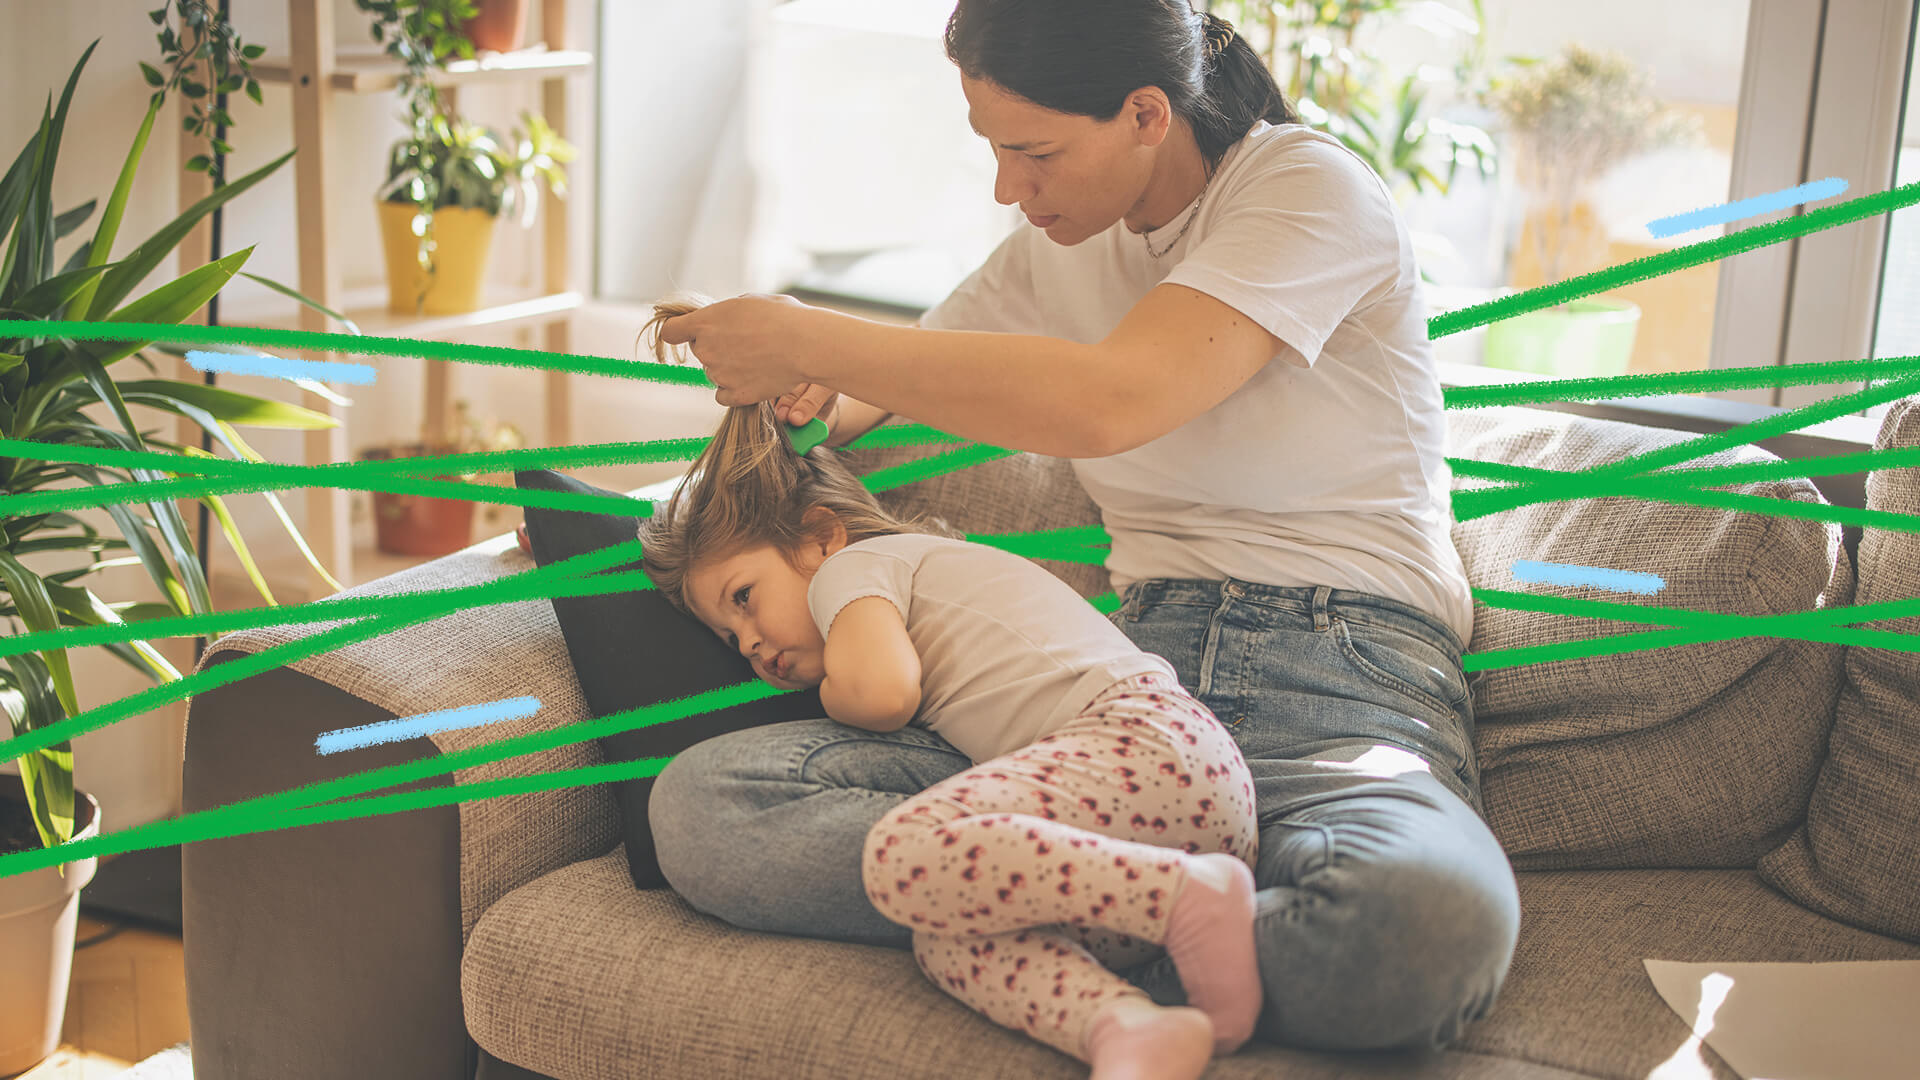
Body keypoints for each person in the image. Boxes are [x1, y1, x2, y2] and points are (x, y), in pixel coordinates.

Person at [648, 0, 1522, 1056]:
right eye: (995, 151)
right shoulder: (1051, 250)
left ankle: (1042, 923)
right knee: (707, 810)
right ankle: (1154, 917)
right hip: (1113, 692)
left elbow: (1113, 398)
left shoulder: (1304, 189)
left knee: (1425, 929)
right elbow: (881, 392)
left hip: (1344, 685)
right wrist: (786, 399)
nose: (1010, 189)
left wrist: (805, 330)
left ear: (1147, 112)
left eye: (1036, 153)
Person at [638, 298, 1265, 1079]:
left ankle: (1184, 895)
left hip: (1136, 744)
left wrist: (828, 683)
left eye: (744, 600)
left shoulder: (855, 570)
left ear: (821, 533)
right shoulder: (892, 574)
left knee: (902, 853)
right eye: (731, 641)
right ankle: (1124, 1024)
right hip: (1159, 807)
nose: (752, 645)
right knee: (947, 926)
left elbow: (882, 695)